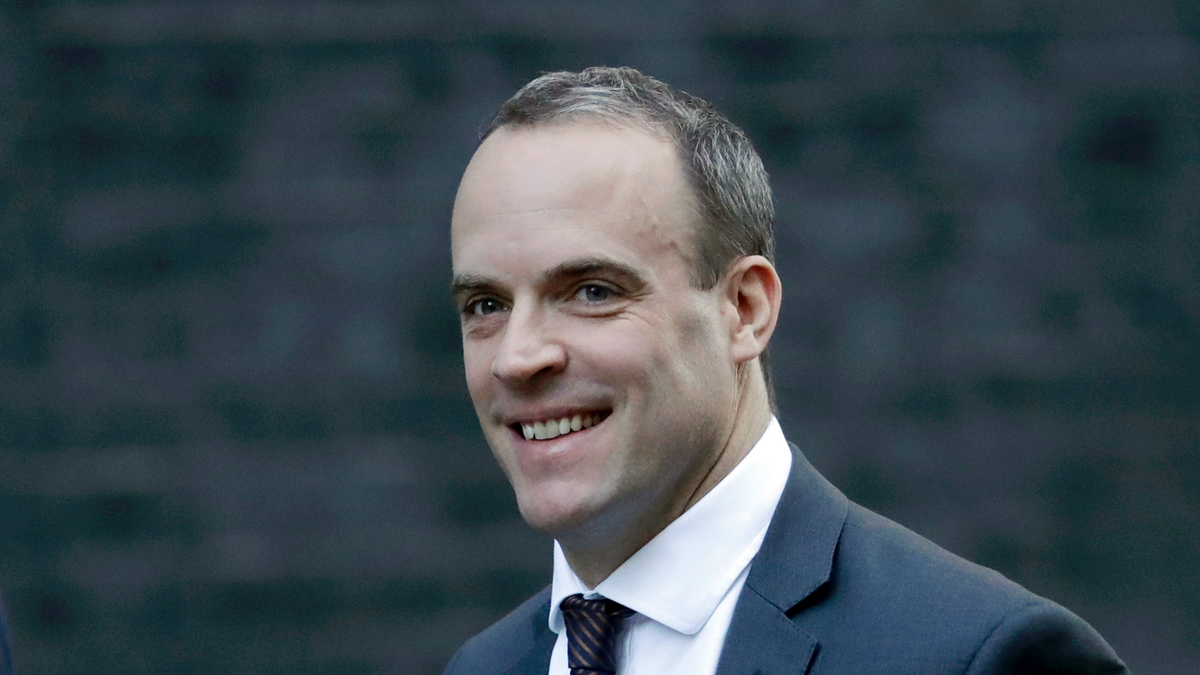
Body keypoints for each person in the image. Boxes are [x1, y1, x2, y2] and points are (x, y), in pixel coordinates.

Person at [444, 67, 1126, 675]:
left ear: (744, 309)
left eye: (592, 291)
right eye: (486, 304)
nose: (517, 356)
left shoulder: (984, 656)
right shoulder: (485, 665)